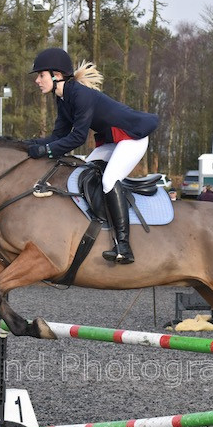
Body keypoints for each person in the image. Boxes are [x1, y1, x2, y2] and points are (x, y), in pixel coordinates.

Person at [27, 47, 158, 265]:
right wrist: (29, 145)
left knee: (108, 180)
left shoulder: (80, 94)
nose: (37, 81)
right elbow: (58, 135)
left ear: (56, 75)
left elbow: (77, 137)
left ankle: (124, 247)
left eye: (40, 75)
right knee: (82, 173)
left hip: (132, 138)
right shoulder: (63, 98)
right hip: (114, 141)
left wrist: (46, 151)